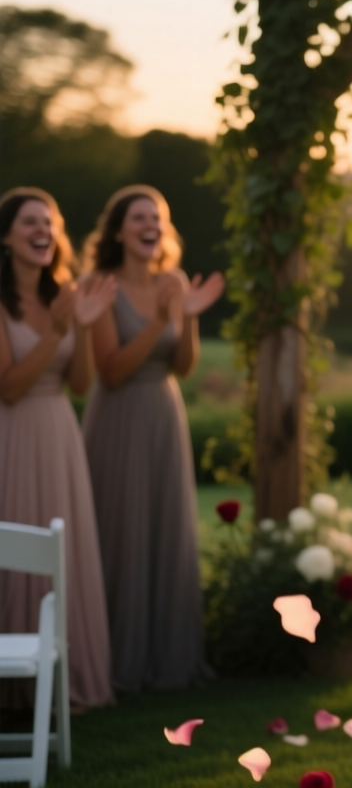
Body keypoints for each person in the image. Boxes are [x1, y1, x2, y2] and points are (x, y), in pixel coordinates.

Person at [80, 185, 223, 692]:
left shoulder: (174, 281)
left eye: (158, 218)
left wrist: (185, 315)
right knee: (119, 530)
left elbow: (183, 365)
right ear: (119, 230)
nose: (151, 226)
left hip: (165, 414)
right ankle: (114, 661)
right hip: (118, 417)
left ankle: (169, 659)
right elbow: (112, 371)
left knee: (165, 529)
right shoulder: (99, 284)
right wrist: (163, 317)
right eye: (140, 217)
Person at [0, 189, 117, 710]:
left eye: (49, 221)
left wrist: (83, 331)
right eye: (30, 222)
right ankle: (14, 684)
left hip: (61, 436)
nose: (43, 230)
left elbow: (79, 383)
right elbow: (9, 386)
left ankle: (66, 676)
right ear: (6, 236)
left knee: (62, 553)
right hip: (13, 433)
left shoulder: (63, 294)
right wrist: (59, 331)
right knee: (15, 551)